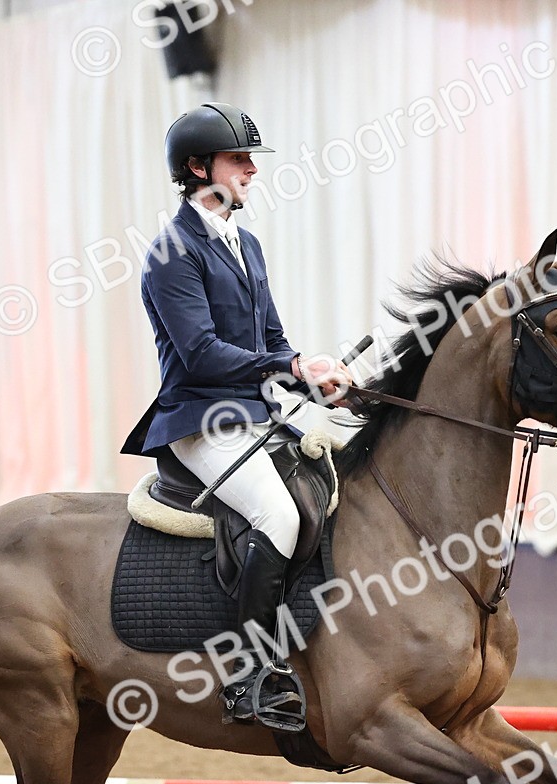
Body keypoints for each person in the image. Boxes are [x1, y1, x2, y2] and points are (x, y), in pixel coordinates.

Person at [121, 102, 351, 723]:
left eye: (250, 160)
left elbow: (270, 341)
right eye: (238, 159)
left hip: (253, 409)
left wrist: (312, 369)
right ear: (199, 168)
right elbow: (197, 353)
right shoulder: (173, 251)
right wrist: (288, 370)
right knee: (276, 513)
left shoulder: (245, 243)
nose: (252, 170)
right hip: (199, 419)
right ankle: (248, 673)